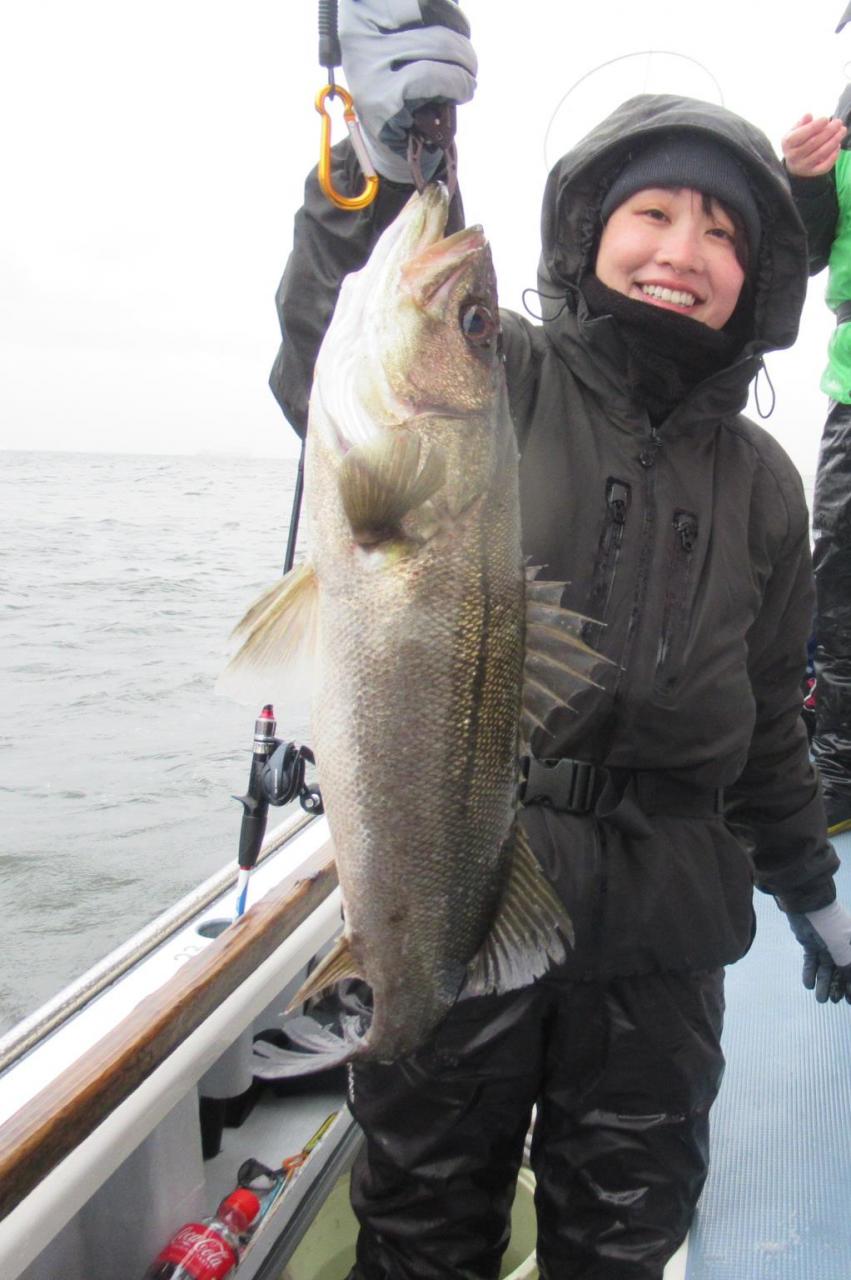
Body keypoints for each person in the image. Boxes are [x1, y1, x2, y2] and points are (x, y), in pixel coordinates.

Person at [271, 4, 851, 1276]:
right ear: (589, 232)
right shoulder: (503, 376)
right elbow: (336, 352)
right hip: (473, 876)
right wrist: (373, 170)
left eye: (723, 232)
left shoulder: (764, 483)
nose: (683, 250)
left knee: (624, 1237)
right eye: (653, 212)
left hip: (666, 934)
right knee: (421, 1229)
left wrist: (811, 892)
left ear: (759, 276)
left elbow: (767, 726)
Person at [781, 7, 851, 836]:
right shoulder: (841, 132)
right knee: (838, 586)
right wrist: (800, 181)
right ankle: (838, 767)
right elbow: (800, 253)